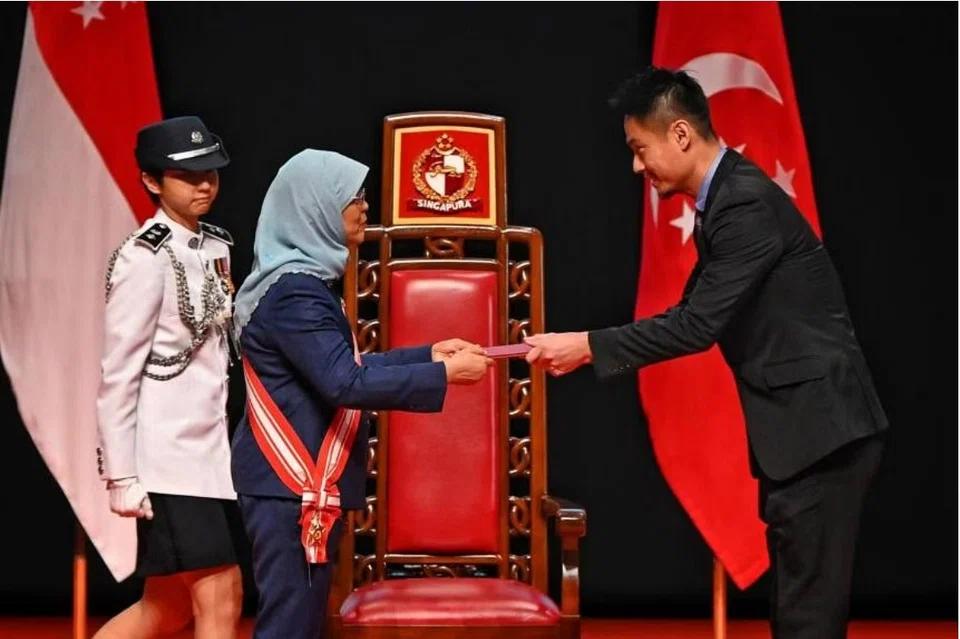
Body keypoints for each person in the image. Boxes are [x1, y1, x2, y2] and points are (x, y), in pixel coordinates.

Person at [524, 67, 888, 639]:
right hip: (804, 436)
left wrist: (589, 346)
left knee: (807, 618)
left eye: (640, 149)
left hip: (823, 435)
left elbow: (695, 326)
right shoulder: (725, 199)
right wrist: (588, 345)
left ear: (682, 136)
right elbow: (689, 316)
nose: (636, 167)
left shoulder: (743, 204)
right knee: (799, 611)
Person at [230, 148, 493, 639]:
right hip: (289, 487)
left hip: (291, 490)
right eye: (352, 196)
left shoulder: (302, 284)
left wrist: (429, 355)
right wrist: (444, 376)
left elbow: (342, 368)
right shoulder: (295, 292)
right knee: (290, 628)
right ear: (314, 208)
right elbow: (344, 383)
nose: (365, 206)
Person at [95, 116, 243, 638]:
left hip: (209, 454)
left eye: (212, 172)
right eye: (189, 175)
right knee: (222, 595)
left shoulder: (216, 246)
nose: (205, 184)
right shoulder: (144, 257)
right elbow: (118, 373)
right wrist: (121, 475)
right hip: (167, 460)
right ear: (152, 181)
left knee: (165, 609)